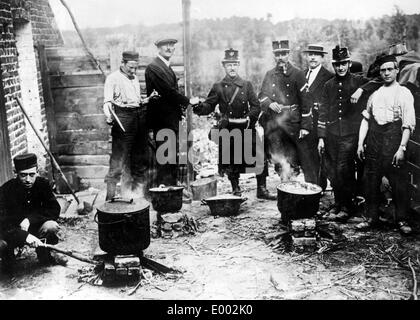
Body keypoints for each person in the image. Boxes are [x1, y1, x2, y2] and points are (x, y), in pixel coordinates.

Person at [193, 48, 276, 199]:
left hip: (246, 126)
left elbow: (256, 106)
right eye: (229, 65)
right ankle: (235, 188)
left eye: (234, 64)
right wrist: (199, 108)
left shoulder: (246, 85)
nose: (232, 68)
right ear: (224, 66)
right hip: (228, 128)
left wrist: (248, 119)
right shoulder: (218, 86)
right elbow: (209, 105)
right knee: (231, 159)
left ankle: (262, 189)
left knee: (259, 156)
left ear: (238, 66)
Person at [318, 45, 381, 222]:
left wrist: (362, 90)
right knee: (332, 171)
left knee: (343, 168)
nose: (341, 68)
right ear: (334, 65)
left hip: (350, 134)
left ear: (348, 62)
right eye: (337, 65)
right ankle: (339, 203)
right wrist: (321, 137)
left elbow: (380, 80)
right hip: (331, 134)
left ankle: (347, 206)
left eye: (344, 64)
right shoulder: (328, 85)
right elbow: (323, 111)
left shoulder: (358, 81)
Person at [356, 54, 416, 235]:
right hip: (374, 139)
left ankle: (402, 219)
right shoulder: (375, 94)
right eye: (383, 70)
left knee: (399, 181)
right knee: (371, 179)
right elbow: (366, 119)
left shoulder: (404, 93)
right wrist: (360, 144)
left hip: (394, 139)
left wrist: (402, 148)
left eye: (390, 69)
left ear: (397, 70)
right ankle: (371, 217)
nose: (386, 73)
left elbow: (408, 124)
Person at [103, 51, 158, 200]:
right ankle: (109, 199)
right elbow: (107, 102)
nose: (133, 71)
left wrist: (149, 99)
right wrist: (109, 116)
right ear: (123, 63)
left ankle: (137, 197)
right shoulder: (112, 79)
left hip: (139, 118)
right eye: (130, 68)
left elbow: (137, 101)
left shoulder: (134, 79)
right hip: (123, 119)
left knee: (140, 160)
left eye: (135, 68)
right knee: (118, 162)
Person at [0, 153, 66, 274]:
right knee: (2, 246)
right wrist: (24, 235)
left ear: (37, 171)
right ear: (16, 173)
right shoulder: (6, 190)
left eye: (32, 174)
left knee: (51, 226)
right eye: (23, 175)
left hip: (36, 227)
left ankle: (44, 255)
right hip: (13, 231)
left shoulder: (43, 185)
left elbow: (53, 209)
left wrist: (30, 219)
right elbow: (3, 221)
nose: (28, 180)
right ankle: (8, 261)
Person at [145, 38, 199, 187]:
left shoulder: (166, 67)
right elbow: (168, 92)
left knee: (170, 159)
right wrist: (188, 101)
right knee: (166, 160)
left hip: (170, 121)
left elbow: (171, 93)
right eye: (165, 46)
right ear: (158, 48)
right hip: (162, 121)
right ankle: (165, 199)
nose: (169, 48)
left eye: (172, 46)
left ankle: (170, 194)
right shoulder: (154, 68)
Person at [258, 40, 313, 183]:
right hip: (275, 123)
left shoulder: (298, 74)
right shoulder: (270, 75)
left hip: (292, 121)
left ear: (288, 54)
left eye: (283, 54)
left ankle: (292, 185)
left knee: (293, 156)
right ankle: (284, 185)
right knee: (277, 155)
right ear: (274, 56)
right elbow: (262, 96)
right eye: (277, 54)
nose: (280, 57)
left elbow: (306, 102)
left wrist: (305, 126)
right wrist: (270, 104)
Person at [302, 44, 334, 190]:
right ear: (306, 57)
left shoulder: (328, 77)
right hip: (304, 124)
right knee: (306, 157)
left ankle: (320, 187)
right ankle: (310, 186)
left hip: (320, 124)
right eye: (310, 54)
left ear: (322, 57)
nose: (313, 57)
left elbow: (331, 103)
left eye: (316, 54)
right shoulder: (301, 75)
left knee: (320, 157)